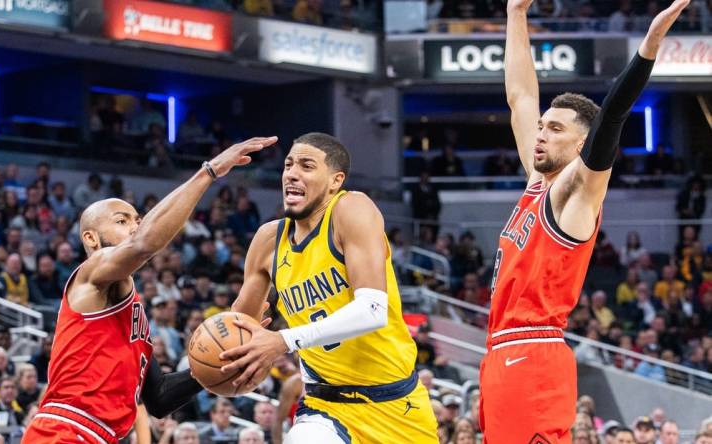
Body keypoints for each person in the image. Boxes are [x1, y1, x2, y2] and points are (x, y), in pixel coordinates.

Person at [480, 0, 690, 442]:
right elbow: (520, 97)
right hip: (500, 351)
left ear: (582, 146)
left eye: (555, 129)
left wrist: (649, 44)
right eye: (542, 126)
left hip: (533, 353)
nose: (540, 133)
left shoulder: (577, 193)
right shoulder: (537, 183)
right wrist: (515, 13)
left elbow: (612, 114)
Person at [21, 137, 277, 444]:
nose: (134, 226)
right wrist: (209, 171)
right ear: (91, 238)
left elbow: (159, 398)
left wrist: (222, 361)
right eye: (122, 220)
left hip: (99, 435)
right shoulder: (92, 274)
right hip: (65, 430)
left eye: (138, 220)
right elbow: (144, 243)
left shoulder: (131, 313)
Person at [224, 133, 438, 443]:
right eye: (288, 165)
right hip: (324, 406)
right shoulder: (269, 240)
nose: (292, 173)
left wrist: (282, 340)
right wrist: (232, 354)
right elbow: (238, 327)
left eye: (307, 166)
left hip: (396, 403)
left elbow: (372, 310)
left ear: (335, 180)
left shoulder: (351, 208)